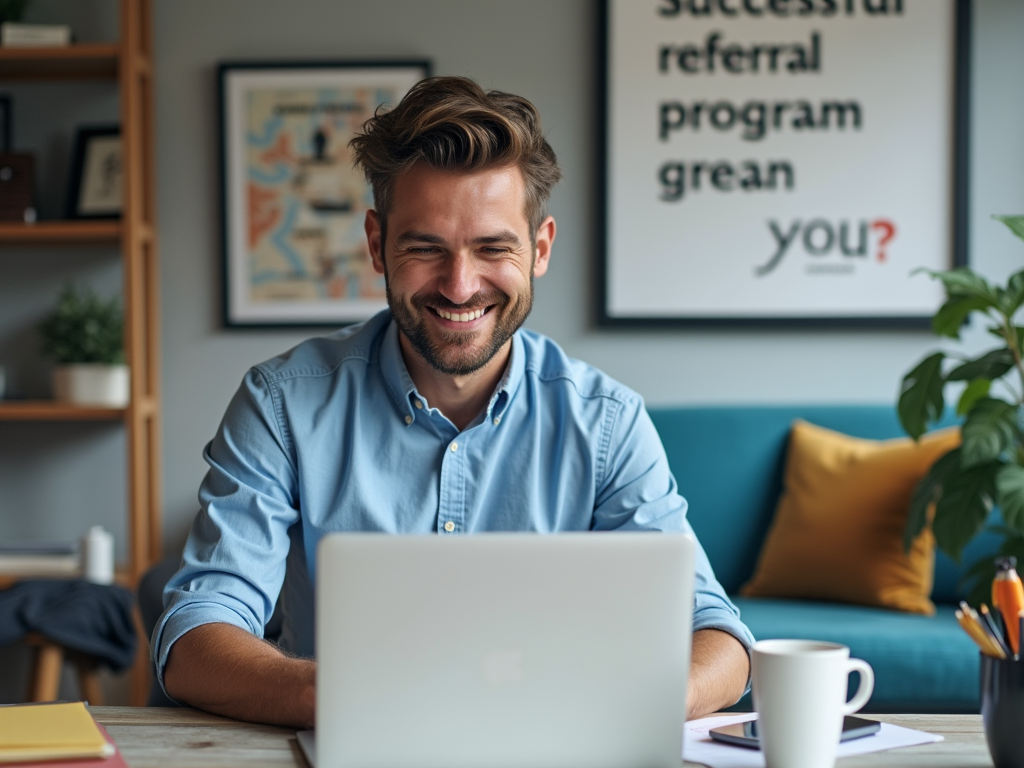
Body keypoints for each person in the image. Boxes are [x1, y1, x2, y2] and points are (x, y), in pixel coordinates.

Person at [155, 76, 753, 728]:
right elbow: (194, 634)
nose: (460, 286)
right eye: (425, 248)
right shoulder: (281, 405)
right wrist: (348, 697)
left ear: (541, 247)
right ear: (377, 244)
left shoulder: (607, 422)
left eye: (493, 248)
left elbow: (716, 635)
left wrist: (628, 704)